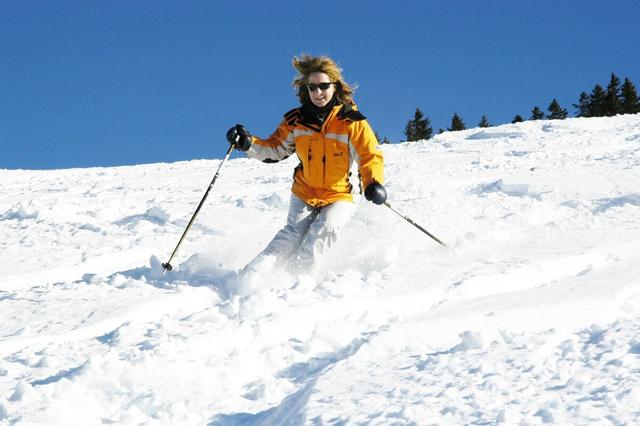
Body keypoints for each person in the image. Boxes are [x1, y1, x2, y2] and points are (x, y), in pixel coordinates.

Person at [226, 54, 386, 276]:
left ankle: (296, 282)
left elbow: (370, 155)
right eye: (312, 88)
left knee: (324, 231)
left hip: (339, 194)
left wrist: (372, 182)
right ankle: (254, 276)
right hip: (305, 191)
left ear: (335, 86)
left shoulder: (351, 121)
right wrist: (247, 143)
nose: (318, 93)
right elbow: (275, 149)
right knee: (291, 234)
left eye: (323, 86)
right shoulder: (296, 121)